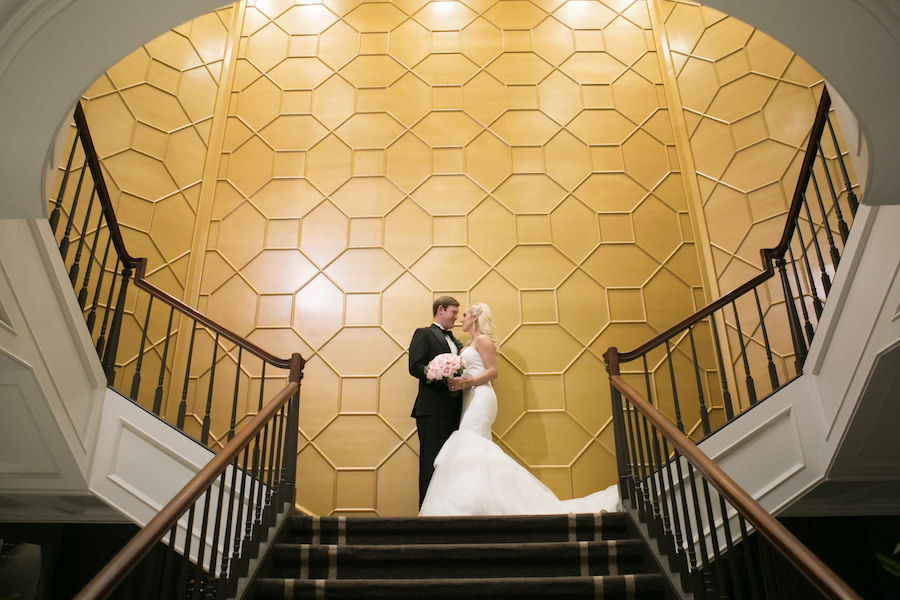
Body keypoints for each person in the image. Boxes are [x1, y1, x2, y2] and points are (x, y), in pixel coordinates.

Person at [419, 302, 619, 516]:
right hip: (470, 398)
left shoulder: (484, 340)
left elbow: (493, 372)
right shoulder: (468, 343)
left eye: (465, 315)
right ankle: (481, 502)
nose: (461, 319)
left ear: (475, 318)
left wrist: (465, 384)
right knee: (472, 445)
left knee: (471, 442)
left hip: (481, 399)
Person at [408, 295, 463, 508]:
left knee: (451, 464)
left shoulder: (456, 341)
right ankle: (427, 516)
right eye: (454, 313)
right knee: (431, 462)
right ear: (441, 309)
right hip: (431, 409)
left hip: (454, 410)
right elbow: (415, 366)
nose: (456, 318)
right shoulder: (423, 334)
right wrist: (434, 372)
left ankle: (448, 511)